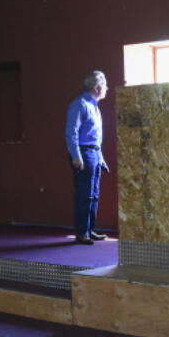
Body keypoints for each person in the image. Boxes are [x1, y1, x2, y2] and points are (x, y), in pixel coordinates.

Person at [65, 70, 110, 244]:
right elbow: (71, 132)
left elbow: (95, 137)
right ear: (97, 88)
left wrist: (101, 159)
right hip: (84, 154)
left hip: (95, 154)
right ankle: (82, 232)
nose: (107, 88)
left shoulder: (94, 107)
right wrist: (76, 156)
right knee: (85, 194)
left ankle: (90, 230)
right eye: (105, 85)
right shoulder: (80, 104)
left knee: (94, 194)